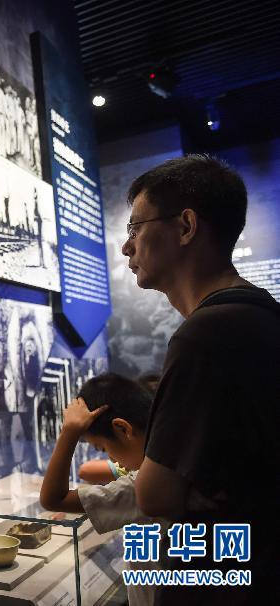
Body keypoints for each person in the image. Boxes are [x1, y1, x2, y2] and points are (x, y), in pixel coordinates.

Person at [122, 155, 280, 604]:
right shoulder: (262, 314)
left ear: (186, 226)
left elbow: (154, 495)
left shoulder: (206, 335)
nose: (127, 247)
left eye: (136, 228)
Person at [40, 373, 159, 606]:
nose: (111, 459)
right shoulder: (176, 466)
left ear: (123, 429)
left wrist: (69, 432)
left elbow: (54, 498)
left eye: (103, 448)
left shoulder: (144, 486)